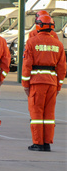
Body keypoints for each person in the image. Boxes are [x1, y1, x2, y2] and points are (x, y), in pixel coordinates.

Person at [22, 14, 66, 152]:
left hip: (37, 82)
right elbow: (62, 67)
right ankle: (47, 142)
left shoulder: (32, 42)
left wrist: (25, 84)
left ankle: (38, 143)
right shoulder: (58, 44)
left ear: (38, 25)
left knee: (36, 113)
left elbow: (27, 65)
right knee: (49, 114)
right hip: (52, 83)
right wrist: (59, 85)